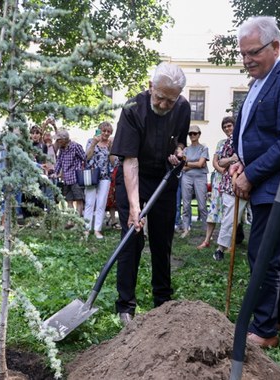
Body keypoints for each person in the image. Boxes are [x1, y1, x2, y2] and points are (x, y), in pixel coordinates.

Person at [228, 16, 280, 348]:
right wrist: (240, 161)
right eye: (243, 54)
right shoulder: (262, 79)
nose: (247, 60)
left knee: (263, 254)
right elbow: (256, 131)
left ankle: (264, 331)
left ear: (276, 46)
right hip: (266, 178)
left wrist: (251, 173)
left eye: (253, 52)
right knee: (274, 251)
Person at [110, 62, 191, 325]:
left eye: (171, 100)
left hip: (165, 180)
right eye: (160, 98)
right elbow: (129, 161)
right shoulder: (133, 110)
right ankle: (125, 307)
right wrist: (135, 207)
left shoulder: (182, 107)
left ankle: (163, 303)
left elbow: (180, 140)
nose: (165, 105)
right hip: (136, 176)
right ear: (150, 87)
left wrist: (178, 151)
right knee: (132, 238)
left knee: (162, 240)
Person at [199, 117, 244, 253]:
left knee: (232, 213)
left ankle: (230, 244)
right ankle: (207, 240)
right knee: (214, 211)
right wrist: (224, 168)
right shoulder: (222, 143)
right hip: (220, 181)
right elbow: (216, 162)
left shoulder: (239, 141)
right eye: (224, 127)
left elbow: (239, 158)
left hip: (235, 179)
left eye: (229, 126)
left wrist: (227, 164)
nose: (227, 129)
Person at [83, 121, 116, 239]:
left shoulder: (111, 144)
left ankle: (97, 229)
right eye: (104, 130)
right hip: (91, 175)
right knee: (89, 203)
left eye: (109, 131)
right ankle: (86, 229)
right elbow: (87, 157)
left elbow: (113, 162)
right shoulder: (91, 141)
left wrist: (111, 149)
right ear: (99, 130)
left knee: (101, 203)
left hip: (105, 177)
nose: (106, 133)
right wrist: (93, 144)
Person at [179, 125, 209, 238]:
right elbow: (183, 167)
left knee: (202, 205)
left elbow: (201, 164)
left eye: (194, 133)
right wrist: (196, 164)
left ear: (199, 134)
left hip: (200, 178)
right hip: (186, 177)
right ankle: (186, 228)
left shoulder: (204, 148)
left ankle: (207, 230)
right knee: (186, 205)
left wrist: (188, 164)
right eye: (190, 133)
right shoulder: (186, 150)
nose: (192, 135)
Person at [53, 129, 86, 219]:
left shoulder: (75, 146)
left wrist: (82, 169)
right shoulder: (61, 149)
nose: (57, 142)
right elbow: (59, 161)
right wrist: (55, 172)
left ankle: (78, 220)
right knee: (69, 200)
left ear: (64, 139)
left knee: (79, 199)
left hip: (76, 178)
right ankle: (71, 220)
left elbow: (84, 158)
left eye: (58, 140)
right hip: (67, 179)